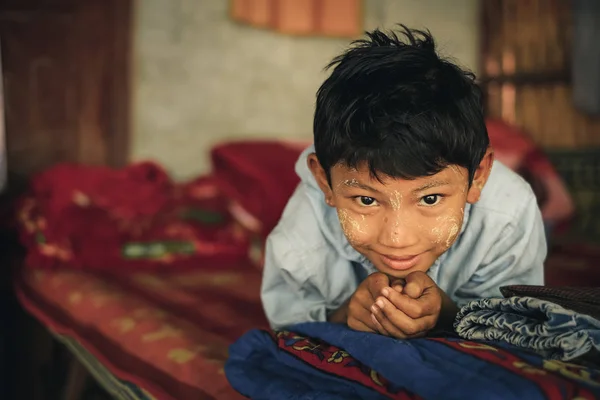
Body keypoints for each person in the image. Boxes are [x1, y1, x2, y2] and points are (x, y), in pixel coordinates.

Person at [261, 26, 546, 338]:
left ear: (478, 177)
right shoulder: (300, 237)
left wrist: (445, 312)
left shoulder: (507, 213)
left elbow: (520, 322)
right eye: (366, 200)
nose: (397, 239)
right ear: (325, 182)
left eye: (430, 198)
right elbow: (288, 327)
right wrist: (347, 314)